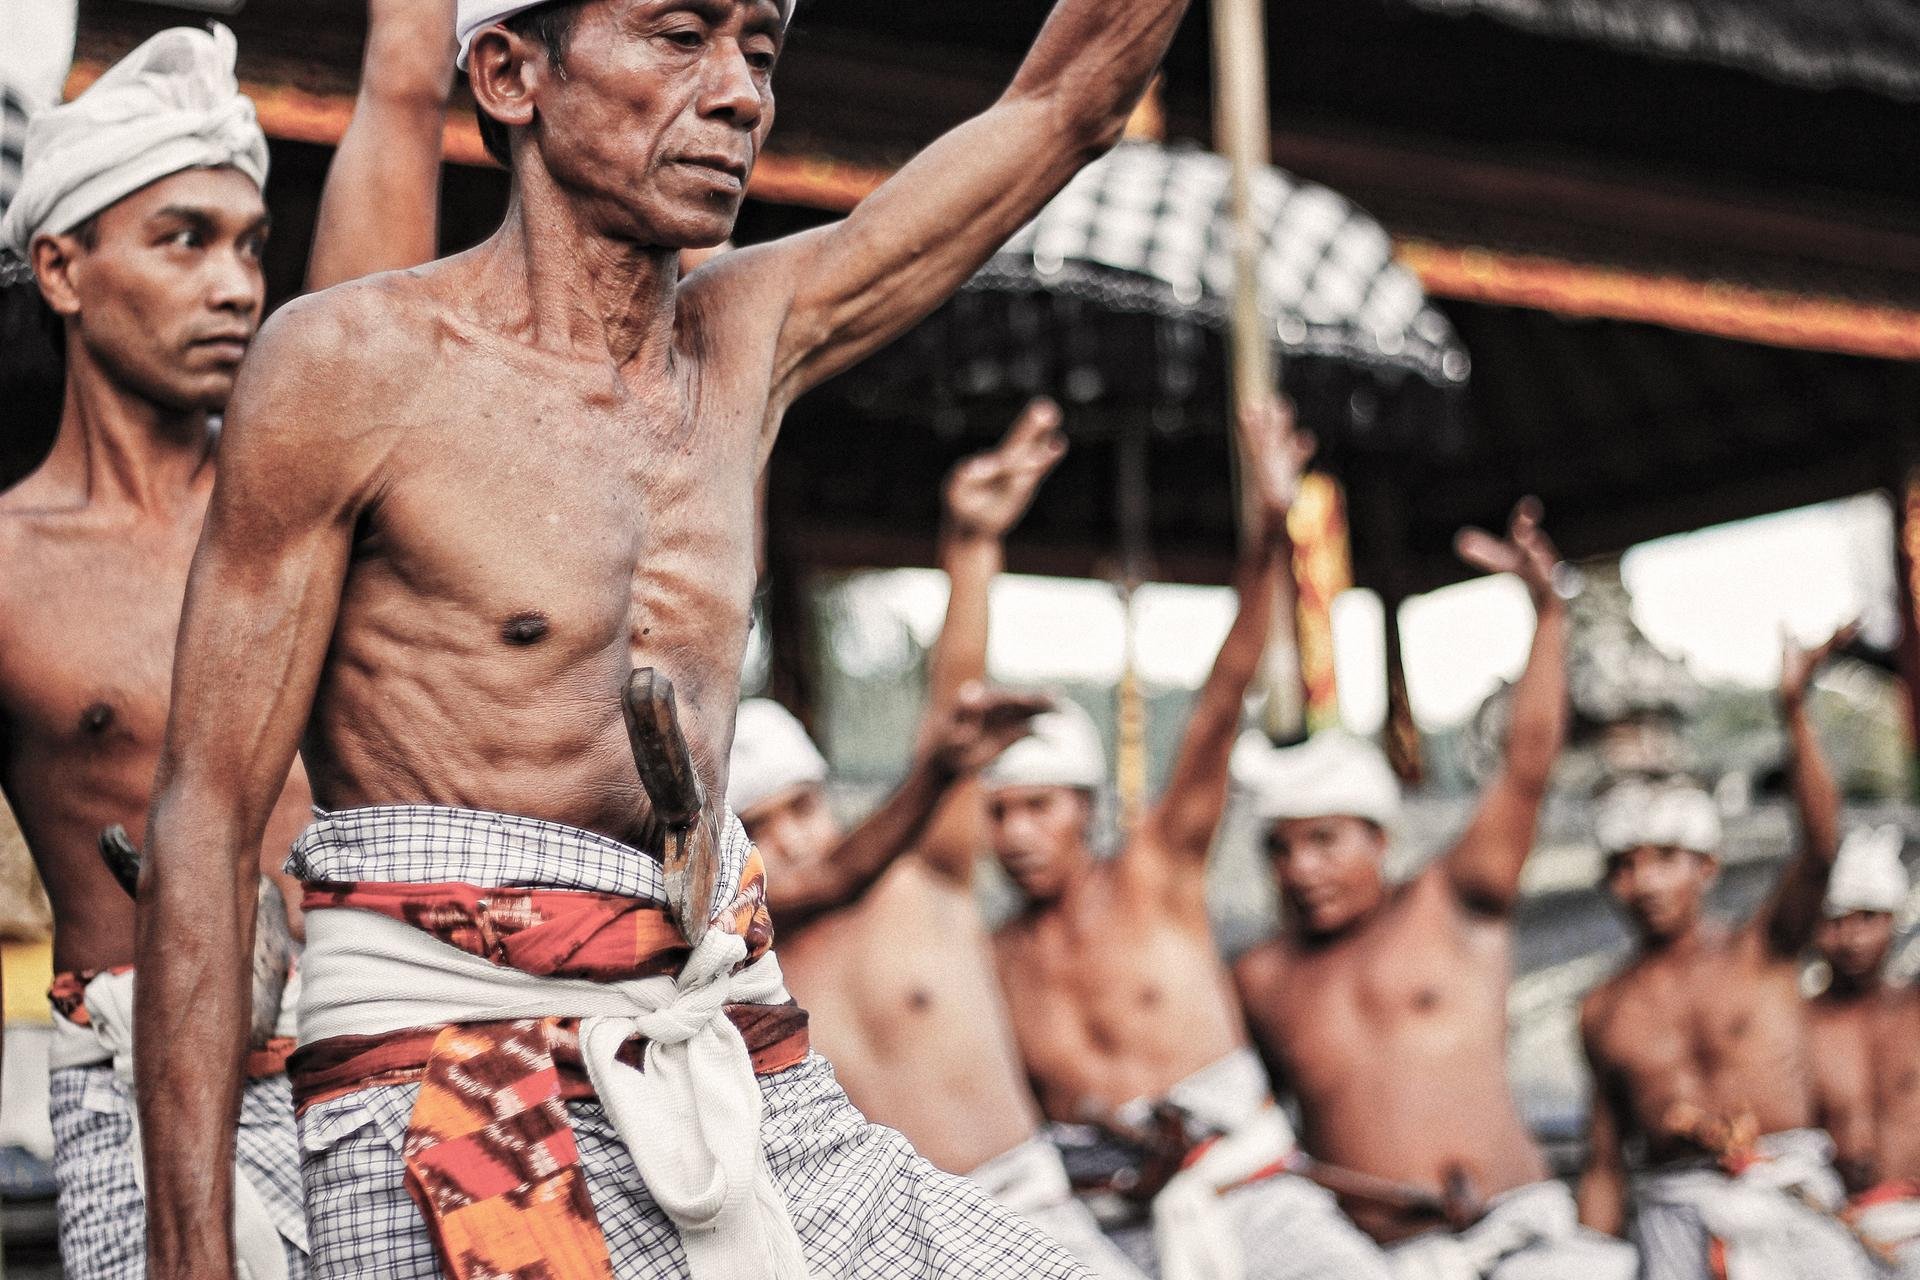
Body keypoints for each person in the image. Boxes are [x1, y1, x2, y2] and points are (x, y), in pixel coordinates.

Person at [132, 0, 1194, 1276]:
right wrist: (189, 1252)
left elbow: (1062, 108)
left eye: (761, 47)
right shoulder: (348, 367)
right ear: (514, 72)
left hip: (714, 1048)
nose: (743, 93)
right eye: (681, 35)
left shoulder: (752, 336)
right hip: (453, 1082)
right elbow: (207, 811)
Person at [0, 6, 455, 1277]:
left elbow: (407, 88)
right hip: (137, 1091)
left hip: (384, 1054)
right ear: (63, 269)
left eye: (252, 243)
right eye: (184, 239)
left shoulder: (298, 492)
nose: (239, 282)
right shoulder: (9, 569)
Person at [731, 404, 1146, 1279]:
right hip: (877, 1250)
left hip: (1027, 1212)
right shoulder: (740, 967)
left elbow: (953, 729)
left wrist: (971, 544)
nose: (790, 840)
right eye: (756, 827)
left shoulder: (928, 876)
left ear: (829, 796)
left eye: (801, 807)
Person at [984, 400, 1397, 1280]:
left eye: (1041, 807)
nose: (1019, 834)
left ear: (1086, 809)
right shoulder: (988, 959)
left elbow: (1220, 703)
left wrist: (1269, 534)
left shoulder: (1155, 873)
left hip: (1246, 1188)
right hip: (1108, 1227)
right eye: (1001, 812)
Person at [1231, 503, 1637, 1280]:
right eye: (1281, 849)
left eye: (1324, 840)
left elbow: (1527, 765)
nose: (1302, 868)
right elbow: (1245, 1143)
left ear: (1379, 839)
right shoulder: (1261, 980)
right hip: (1380, 1263)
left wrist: (1548, 615)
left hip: (1523, 1237)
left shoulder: (1451, 904)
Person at [1578, 624, 1876, 1280]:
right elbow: (1603, 1162)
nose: (1646, 882)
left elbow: (1822, 846)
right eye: (1625, 865)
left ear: (1706, 868)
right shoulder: (1602, 1008)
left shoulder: (1763, 948)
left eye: (1665, 859)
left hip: (1782, 1189)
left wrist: (1794, 710)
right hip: (1672, 1212)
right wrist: (1588, 1258)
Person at [1807, 825, 1920, 1277]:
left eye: (1868, 918)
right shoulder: (1795, 1026)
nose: (1851, 938)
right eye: (1835, 921)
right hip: (1828, 1233)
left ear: (1893, 919)